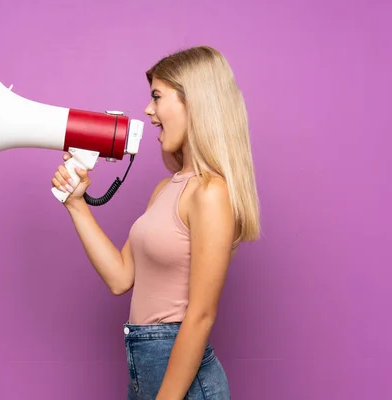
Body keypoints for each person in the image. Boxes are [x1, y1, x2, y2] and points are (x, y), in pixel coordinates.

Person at [51, 45, 261, 400]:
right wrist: (76, 205)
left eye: (157, 96)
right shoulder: (167, 188)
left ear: (193, 102)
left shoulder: (211, 193)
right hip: (145, 365)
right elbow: (121, 279)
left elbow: (201, 315)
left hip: (181, 379)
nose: (148, 110)